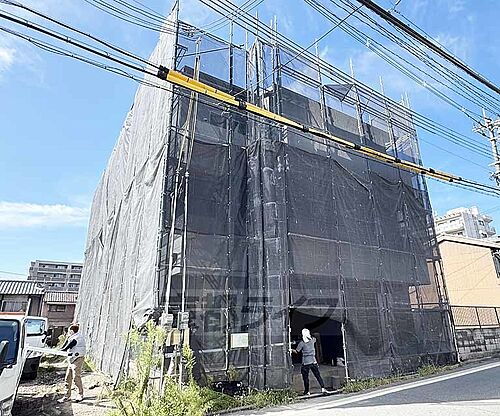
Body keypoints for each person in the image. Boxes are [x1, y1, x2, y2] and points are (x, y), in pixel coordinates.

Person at [293, 328, 331, 396]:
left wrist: (291, 349)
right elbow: (314, 338)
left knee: (305, 378)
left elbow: (297, 351)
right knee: (318, 376)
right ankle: (323, 388)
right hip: (313, 361)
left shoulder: (301, 343)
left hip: (306, 363)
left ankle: (307, 391)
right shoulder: (312, 340)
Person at [57, 323, 86, 403]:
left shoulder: (77, 338)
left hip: (77, 359)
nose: (68, 333)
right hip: (72, 359)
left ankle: (80, 394)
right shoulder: (73, 337)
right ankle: (67, 396)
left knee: (76, 377)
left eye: (69, 331)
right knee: (68, 378)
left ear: (72, 331)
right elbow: (65, 346)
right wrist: (60, 349)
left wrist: (60, 351)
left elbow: (68, 346)